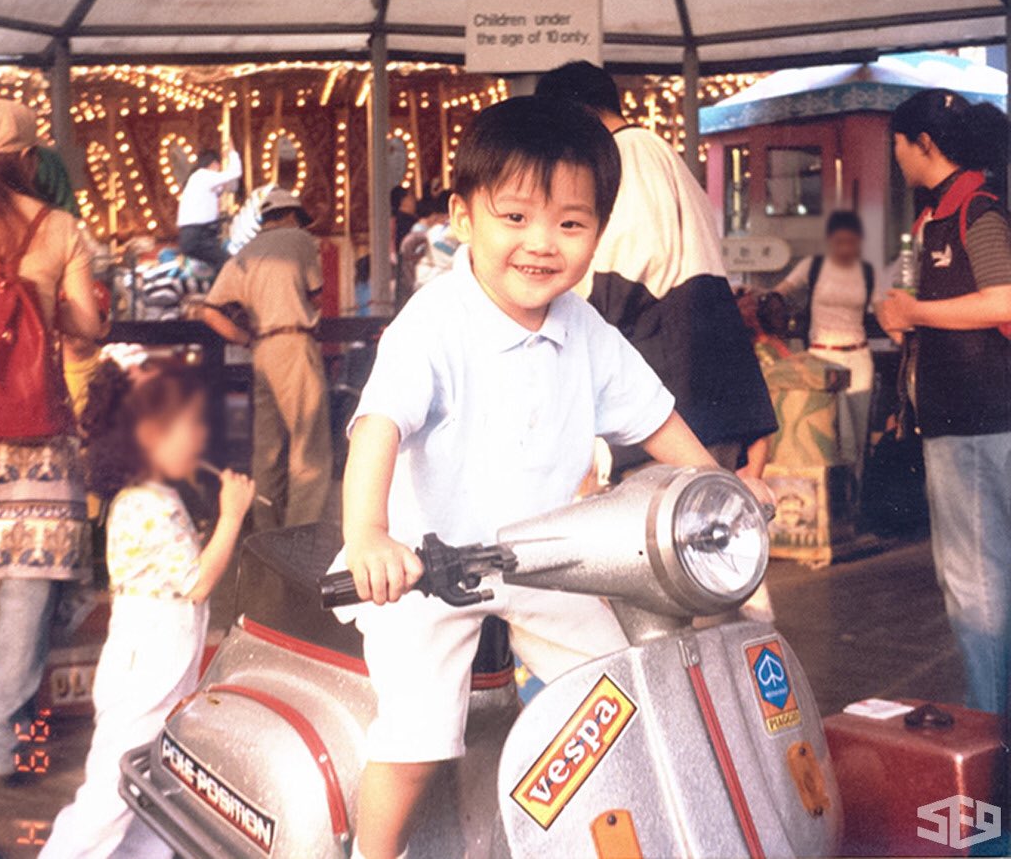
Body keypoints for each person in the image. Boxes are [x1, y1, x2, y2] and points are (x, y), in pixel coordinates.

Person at [338, 95, 771, 859]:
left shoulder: (586, 327)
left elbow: (657, 420)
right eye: (515, 217)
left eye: (571, 223)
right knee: (415, 740)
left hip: (544, 562)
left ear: (599, 232)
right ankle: (370, 855)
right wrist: (370, 534)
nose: (542, 243)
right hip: (427, 571)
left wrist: (722, 492)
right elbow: (379, 425)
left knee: (624, 691)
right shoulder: (433, 323)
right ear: (463, 217)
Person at [41, 359, 254, 858]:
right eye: (190, 426)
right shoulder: (143, 505)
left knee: (153, 785)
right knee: (114, 790)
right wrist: (232, 516)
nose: (200, 437)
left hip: (162, 664)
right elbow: (197, 583)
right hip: (147, 668)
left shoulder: (158, 497)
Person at [535, 62, 776, 477]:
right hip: (700, 396)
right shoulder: (660, 154)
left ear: (579, 115)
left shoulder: (628, 153)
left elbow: (623, 270)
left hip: (669, 401)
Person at [876, 89, 1011, 718]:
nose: (897, 156)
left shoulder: (974, 209)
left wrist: (916, 313)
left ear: (923, 143)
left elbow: (1005, 300)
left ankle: (990, 728)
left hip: (978, 421)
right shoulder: (941, 214)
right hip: (965, 420)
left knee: (975, 583)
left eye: (899, 144)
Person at [0, 99, 101, 784]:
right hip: (33, 435)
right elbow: (86, 328)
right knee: (28, 595)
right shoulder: (58, 227)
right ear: (29, 159)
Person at [199, 187, 331, 529]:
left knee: (267, 448)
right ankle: (301, 531)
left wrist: (245, 338)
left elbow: (209, 311)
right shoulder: (300, 240)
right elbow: (316, 295)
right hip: (295, 343)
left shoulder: (245, 253)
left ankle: (266, 530)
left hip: (262, 350)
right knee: (309, 446)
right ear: (291, 215)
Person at [774, 211, 876, 476]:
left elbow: (882, 307)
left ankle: (855, 492)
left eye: (850, 241)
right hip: (821, 357)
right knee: (824, 431)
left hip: (858, 357)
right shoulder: (814, 265)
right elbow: (781, 292)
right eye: (839, 241)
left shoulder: (866, 271)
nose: (845, 248)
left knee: (857, 438)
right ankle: (828, 490)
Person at [175, 146, 241, 275]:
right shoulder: (205, 176)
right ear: (214, 164)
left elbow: (230, 187)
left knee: (218, 264)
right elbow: (235, 172)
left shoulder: (197, 179)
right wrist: (232, 153)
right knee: (227, 263)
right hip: (199, 234)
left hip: (196, 233)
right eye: (218, 166)